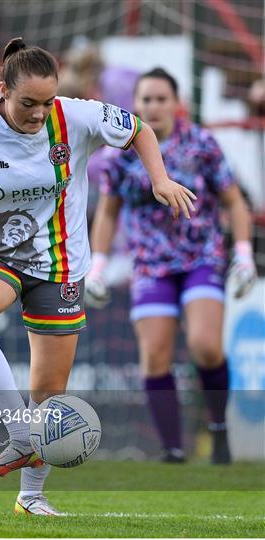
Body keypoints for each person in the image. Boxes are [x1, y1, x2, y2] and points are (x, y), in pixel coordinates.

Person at [0, 41, 196, 516]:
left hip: (58, 263)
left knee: (49, 392)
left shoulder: (75, 116)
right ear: (3, 90)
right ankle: (20, 434)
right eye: (27, 104)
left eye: (46, 102)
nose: (39, 114)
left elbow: (139, 129)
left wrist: (159, 179)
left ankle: (31, 499)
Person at [86, 67, 257, 464]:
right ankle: (173, 451)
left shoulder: (201, 143)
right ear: (136, 105)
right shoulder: (119, 155)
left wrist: (244, 253)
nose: (154, 106)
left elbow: (233, 201)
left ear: (177, 104)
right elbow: (108, 214)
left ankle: (218, 430)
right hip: (150, 266)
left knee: (205, 345)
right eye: (146, 99)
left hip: (202, 258)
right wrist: (98, 266)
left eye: (162, 98)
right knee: (155, 357)